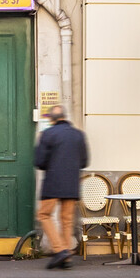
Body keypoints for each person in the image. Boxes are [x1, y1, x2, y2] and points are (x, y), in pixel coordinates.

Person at [32, 104, 87, 269]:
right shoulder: (78, 135)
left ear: (52, 119)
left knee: (44, 215)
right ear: (65, 116)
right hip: (71, 183)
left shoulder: (47, 134)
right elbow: (84, 161)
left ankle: (60, 249)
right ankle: (67, 257)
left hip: (53, 183)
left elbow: (39, 162)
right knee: (66, 220)